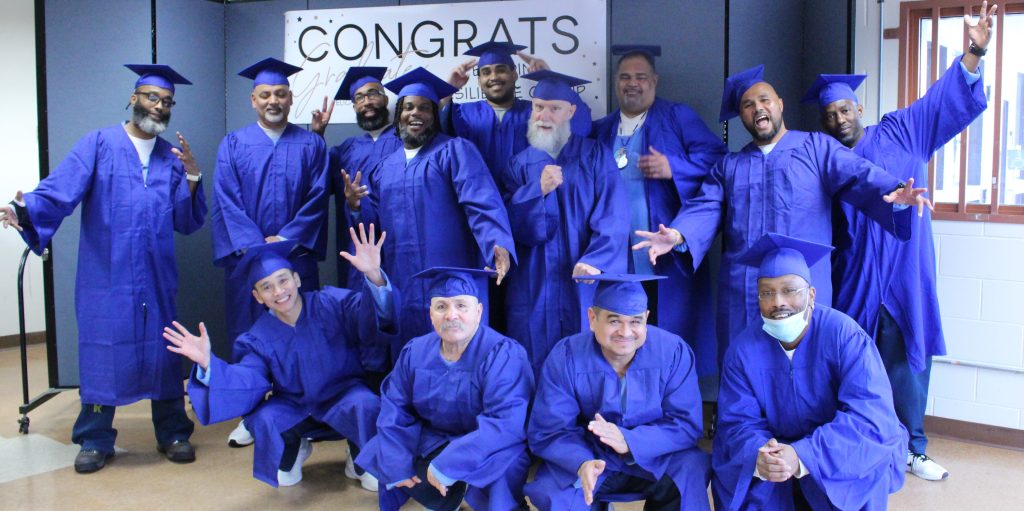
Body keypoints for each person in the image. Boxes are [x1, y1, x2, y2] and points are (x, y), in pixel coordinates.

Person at [806, 2, 996, 482]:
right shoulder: (823, 157)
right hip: (853, 274)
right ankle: (856, 441)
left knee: (910, 357)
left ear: (860, 109)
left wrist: (973, 51)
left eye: (844, 109)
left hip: (906, 269)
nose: (838, 119)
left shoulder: (902, 130)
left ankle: (912, 446)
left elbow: (942, 100)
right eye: (829, 114)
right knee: (850, 360)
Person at [632, 64, 932, 366]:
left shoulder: (817, 148)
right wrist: (679, 233)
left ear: (780, 105)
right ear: (742, 117)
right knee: (744, 364)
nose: (758, 108)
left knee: (808, 366)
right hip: (744, 288)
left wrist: (893, 191)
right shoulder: (729, 167)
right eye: (747, 105)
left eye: (765, 100)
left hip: (803, 283)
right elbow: (705, 207)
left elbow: (858, 174)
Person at [0, 64, 205, 473]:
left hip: (157, 274)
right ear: (134, 98)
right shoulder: (99, 143)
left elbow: (186, 221)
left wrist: (194, 176)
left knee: (164, 349)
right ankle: (94, 439)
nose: (159, 106)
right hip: (106, 274)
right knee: (102, 350)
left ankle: (173, 431)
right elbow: (61, 189)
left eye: (166, 102)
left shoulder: (172, 156)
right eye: (151, 97)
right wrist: (23, 211)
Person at [163, 226, 395, 489]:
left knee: (364, 404)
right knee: (265, 419)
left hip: (342, 398)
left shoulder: (330, 303)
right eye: (266, 286)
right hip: (295, 406)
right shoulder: (257, 337)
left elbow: (369, 317)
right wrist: (209, 365)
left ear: (297, 279)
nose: (278, 291)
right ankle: (293, 450)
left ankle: (359, 457)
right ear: (257, 296)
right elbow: (248, 377)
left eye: (283, 280)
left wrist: (374, 276)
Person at [712, 233, 906, 510]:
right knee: (746, 481)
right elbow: (737, 421)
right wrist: (762, 454)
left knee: (865, 469)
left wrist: (803, 455)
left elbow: (870, 417)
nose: (778, 301)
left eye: (789, 290)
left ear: (811, 295)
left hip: (837, 449)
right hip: (775, 449)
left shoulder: (845, 336)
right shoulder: (743, 350)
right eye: (767, 293)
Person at [354, 66, 516, 363]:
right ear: (398, 114)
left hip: (450, 276)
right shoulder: (384, 167)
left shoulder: (455, 151)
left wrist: (497, 241)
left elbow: (480, 200)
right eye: (409, 107)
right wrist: (355, 205)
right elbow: (372, 222)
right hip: (403, 278)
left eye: (425, 108)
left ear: (434, 114)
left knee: (460, 350)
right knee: (411, 354)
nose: (416, 114)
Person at [590, 45, 726, 390]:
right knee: (619, 334)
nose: (632, 84)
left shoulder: (678, 117)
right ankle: (623, 402)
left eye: (640, 77)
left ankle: (672, 408)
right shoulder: (601, 130)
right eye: (624, 77)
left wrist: (674, 167)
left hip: (663, 254)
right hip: (616, 257)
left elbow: (718, 159)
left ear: (654, 81)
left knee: (669, 332)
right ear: (615, 83)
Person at [210, 57, 330, 447]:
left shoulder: (311, 144)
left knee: (302, 336)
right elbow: (226, 200)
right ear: (253, 100)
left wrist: (288, 239)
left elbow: (317, 198)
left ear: (290, 98)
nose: (273, 100)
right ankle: (251, 416)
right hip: (248, 261)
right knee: (250, 337)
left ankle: (302, 412)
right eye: (265, 95)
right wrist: (257, 245)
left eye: (280, 93)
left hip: (294, 260)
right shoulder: (232, 144)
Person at [527, 274, 711, 511]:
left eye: (635, 321)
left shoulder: (673, 352)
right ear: (593, 318)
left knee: (690, 468)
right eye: (614, 321)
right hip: (591, 454)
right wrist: (581, 461)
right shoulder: (567, 356)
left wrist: (631, 441)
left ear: (646, 319)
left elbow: (685, 424)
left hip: (655, 454)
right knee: (557, 494)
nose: (625, 332)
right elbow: (551, 429)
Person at [356, 267, 534, 511]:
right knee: (386, 451)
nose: (451, 315)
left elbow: (506, 423)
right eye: (441, 306)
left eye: (462, 306)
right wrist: (396, 464)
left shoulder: (502, 354)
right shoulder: (415, 352)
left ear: (479, 311)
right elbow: (395, 408)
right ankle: (438, 499)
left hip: (490, 443)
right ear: (431, 314)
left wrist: (449, 464)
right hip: (436, 437)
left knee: (508, 463)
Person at [500, 69, 627, 372]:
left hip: (581, 277)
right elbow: (506, 224)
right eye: (538, 107)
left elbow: (614, 214)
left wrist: (595, 260)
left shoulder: (595, 155)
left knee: (586, 357)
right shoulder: (518, 165)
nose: (544, 115)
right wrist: (536, 191)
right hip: (533, 283)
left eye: (554, 108)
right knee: (532, 359)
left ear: (571, 111)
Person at [309, 66, 403, 290]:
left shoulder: (405, 141)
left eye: (372, 94)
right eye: (359, 98)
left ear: (384, 98)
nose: (366, 101)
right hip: (357, 244)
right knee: (361, 306)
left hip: (399, 240)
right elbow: (315, 181)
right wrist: (317, 135)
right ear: (354, 106)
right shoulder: (345, 150)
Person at [443, 41, 589, 182]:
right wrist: (446, 91)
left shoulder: (535, 112)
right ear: (479, 81)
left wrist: (551, 80)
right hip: (479, 202)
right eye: (486, 72)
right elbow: (434, 137)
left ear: (514, 74)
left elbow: (580, 128)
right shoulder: (462, 113)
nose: (494, 77)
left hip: (527, 199)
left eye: (501, 70)